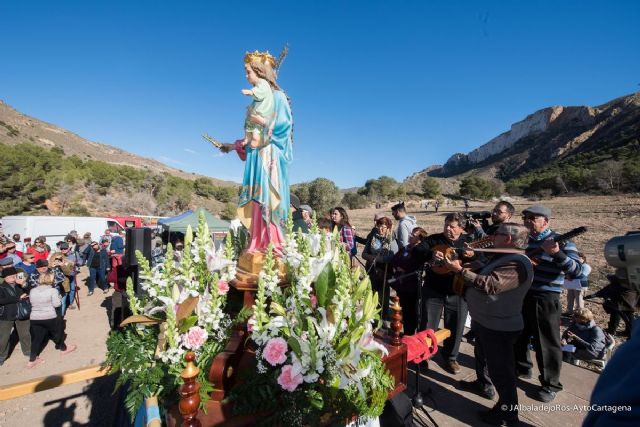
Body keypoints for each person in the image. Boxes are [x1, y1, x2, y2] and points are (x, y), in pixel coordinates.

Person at [439, 223, 533, 426]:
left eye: (497, 234)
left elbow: (491, 285)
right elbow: (488, 273)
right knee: (486, 363)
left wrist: (459, 271)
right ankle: (484, 386)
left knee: (502, 373)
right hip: (486, 323)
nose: (493, 237)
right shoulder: (503, 257)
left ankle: (508, 414)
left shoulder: (518, 263)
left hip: (499, 327)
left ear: (508, 239)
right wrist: (474, 266)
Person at [216, 49, 293, 255]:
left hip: (269, 158)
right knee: (257, 200)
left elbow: (284, 128)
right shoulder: (257, 101)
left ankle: (274, 244)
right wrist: (231, 147)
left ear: (261, 72)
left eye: (248, 71)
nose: (246, 75)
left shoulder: (277, 97)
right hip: (256, 158)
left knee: (268, 198)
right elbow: (251, 136)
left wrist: (261, 120)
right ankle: (257, 242)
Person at [514, 205, 584, 403]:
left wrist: (556, 253)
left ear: (546, 221)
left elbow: (577, 271)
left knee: (546, 342)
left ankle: (550, 384)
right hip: (521, 294)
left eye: (532, 217)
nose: (527, 220)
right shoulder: (523, 240)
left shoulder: (563, 241)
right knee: (519, 333)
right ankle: (522, 368)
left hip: (545, 297)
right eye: (525, 217)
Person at [412, 212, 475, 374]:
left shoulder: (468, 243)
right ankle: (423, 355)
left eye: (452, 226)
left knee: (456, 324)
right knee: (427, 324)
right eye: (446, 225)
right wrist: (430, 254)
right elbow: (416, 252)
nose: (448, 228)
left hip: (457, 291)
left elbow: (481, 260)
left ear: (461, 228)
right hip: (433, 289)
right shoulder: (434, 239)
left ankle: (451, 358)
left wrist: (472, 255)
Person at [28, 268, 76, 368]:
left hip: (35, 318)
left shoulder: (32, 290)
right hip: (49, 316)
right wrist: (58, 297)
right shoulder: (52, 290)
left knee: (36, 339)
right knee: (57, 333)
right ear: (51, 280)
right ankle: (63, 348)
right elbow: (57, 304)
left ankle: (32, 360)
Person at [390, 226, 429, 335]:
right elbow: (394, 259)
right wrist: (398, 267)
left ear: (420, 239)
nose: (410, 236)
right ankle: (407, 333)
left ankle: (411, 335)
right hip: (401, 286)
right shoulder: (406, 248)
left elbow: (416, 266)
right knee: (405, 311)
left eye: (414, 235)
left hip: (412, 287)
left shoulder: (420, 252)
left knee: (412, 312)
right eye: (411, 234)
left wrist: (404, 268)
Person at [361, 217, 398, 323]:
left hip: (384, 272)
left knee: (383, 296)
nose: (381, 229)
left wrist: (379, 259)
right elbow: (364, 253)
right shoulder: (373, 237)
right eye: (379, 226)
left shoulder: (391, 239)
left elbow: (393, 256)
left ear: (388, 228)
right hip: (371, 269)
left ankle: (382, 318)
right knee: (371, 293)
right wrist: (371, 258)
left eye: (384, 227)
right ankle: (371, 317)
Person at [585, 271, 638, 338]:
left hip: (627, 303)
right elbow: (605, 290)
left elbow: (609, 291)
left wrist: (603, 295)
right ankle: (612, 330)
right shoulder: (616, 283)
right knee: (615, 315)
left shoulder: (625, 284)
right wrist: (593, 295)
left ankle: (630, 333)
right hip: (620, 303)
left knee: (628, 319)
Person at [242, 54, 275, 149]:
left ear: (258, 72)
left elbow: (261, 91)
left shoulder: (262, 83)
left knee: (256, 133)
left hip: (261, 117)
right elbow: (257, 101)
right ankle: (247, 139)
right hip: (255, 116)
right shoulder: (258, 85)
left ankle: (254, 140)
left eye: (249, 72)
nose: (246, 76)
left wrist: (251, 92)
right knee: (249, 128)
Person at [0, 267, 31, 366]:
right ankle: (2, 356)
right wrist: (18, 298)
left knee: (25, 334)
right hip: (6, 315)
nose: (12, 277)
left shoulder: (20, 284)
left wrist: (23, 284)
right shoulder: (1, 287)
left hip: (23, 313)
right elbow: (1, 301)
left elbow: (31, 291)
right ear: (4, 278)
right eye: (9, 276)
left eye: (13, 275)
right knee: (3, 337)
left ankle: (28, 351)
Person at [563, 252, 591, 317]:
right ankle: (569, 312)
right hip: (571, 283)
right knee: (570, 298)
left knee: (579, 299)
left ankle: (580, 314)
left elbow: (582, 275)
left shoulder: (586, 266)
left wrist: (570, 276)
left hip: (580, 284)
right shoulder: (574, 265)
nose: (578, 259)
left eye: (580, 257)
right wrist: (567, 276)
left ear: (583, 259)